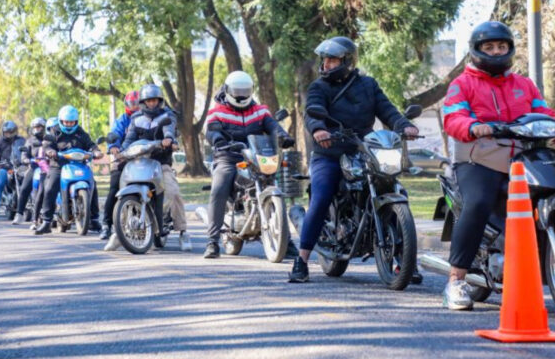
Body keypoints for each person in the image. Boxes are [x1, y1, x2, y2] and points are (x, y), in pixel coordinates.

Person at [440, 21, 555, 310]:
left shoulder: (523, 84)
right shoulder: (462, 84)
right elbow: (453, 117)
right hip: (478, 159)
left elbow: (542, 113)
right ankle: (456, 281)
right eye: (489, 47)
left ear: (510, 49)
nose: (496, 51)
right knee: (479, 202)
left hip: (522, 159)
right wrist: (473, 126)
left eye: (502, 46)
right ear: (476, 51)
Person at [289, 36, 420, 283]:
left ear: (347, 61)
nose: (326, 64)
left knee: (394, 187)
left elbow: (387, 110)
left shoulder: (368, 85)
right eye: (325, 59)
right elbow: (312, 111)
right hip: (329, 152)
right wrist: (318, 129)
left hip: (364, 150)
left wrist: (404, 125)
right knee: (322, 195)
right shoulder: (319, 87)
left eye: (332, 59)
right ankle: (302, 260)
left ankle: (406, 261)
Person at [203, 71, 295, 258]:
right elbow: (211, 130)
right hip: (229, 157)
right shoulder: (217, 111)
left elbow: (272, 126)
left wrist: (283, 136)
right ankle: (212, 241)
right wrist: (218, 139)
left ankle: (287, 241)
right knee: (219, 188)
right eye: (237, 90)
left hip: (256, 156)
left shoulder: (260, 110)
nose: (241, 94)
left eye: (245, 90)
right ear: (227, 90)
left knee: (273, 183)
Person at [116, 84, 192, 251]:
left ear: (160, 101)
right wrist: (121, 151)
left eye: (155, 100)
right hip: (139, 162)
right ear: (143, 102)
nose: (152, 104)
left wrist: (168, 140)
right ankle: (119, 230)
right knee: (121, 186)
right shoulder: (136, 119)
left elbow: (169, 130)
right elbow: (129, 139)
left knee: (173, 192)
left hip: (161, 163)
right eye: (149, 101)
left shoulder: (167, 115)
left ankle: (183, 231)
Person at [35, 105, 104, 235]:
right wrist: (50, 151)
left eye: (71, 122)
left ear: (76, 121)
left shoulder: (80, 132)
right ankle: (46, 221)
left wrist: (96, 151)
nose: (69, 124)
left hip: (79, 164)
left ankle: (94, 219)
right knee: (50, 187)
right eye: (66, 122)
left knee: (93, 185)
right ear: (61, 121)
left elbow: (90, 144)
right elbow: (47, 145)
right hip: (59, 165)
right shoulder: (54, 132)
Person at [101, 90, 140, 245]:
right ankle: (106, 224)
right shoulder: (122, 120)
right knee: (114, 188)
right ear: (126, 105)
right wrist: (114, 147)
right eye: (132, 104)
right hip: (124, 159)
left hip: (144, 159)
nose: (135, 107)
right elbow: (114, 134)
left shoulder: (147, 118)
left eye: (138, 103)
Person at [0, 121, 25, 221]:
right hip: (6, 168)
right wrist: (0, 162)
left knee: (28, 184)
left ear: (14, 131)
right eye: (6, 132)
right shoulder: (0, 142)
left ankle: (33, 208)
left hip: (19, 167)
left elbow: (27, 150)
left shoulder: (21, 140)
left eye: (10, 132)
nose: (7, 134)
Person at [14, 117, 46, 225]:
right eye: (35, 127)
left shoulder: (49, 139)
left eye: (40, 127)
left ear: (44, 128)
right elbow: (24, 153)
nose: (37, 129)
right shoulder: (30, 141)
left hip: (47, 168)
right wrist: (26, 159)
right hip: (34, 167)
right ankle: (19, 214)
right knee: (24, 188)